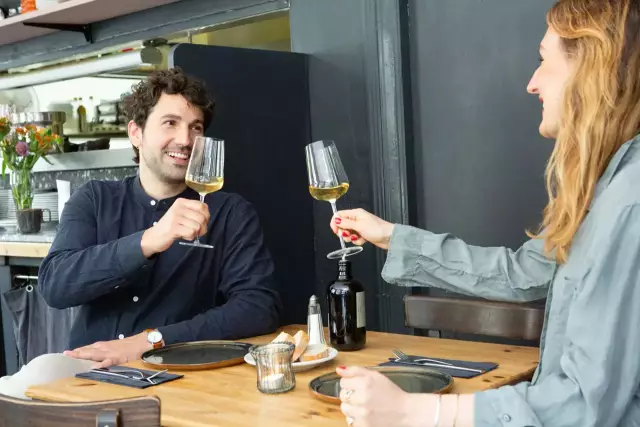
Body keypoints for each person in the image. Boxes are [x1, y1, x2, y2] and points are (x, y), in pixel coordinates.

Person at [331, 0, 640, 426]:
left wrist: (420, 411)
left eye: (543, 61)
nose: (532, 83)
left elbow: (586, 404)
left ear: (593, 68)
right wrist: (391, 237)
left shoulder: (631, 198)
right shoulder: (604, 188)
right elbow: (520, 272)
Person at [36, 68, 282, 369]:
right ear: (136, 133)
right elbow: (55, 286)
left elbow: (258, 307)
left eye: (196, 127)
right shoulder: (94, 199)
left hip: (176, 373)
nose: (185, 139)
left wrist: (149, 341)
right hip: (86, 372)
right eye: (170, 123)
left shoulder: (231, 213)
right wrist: (147, 240)